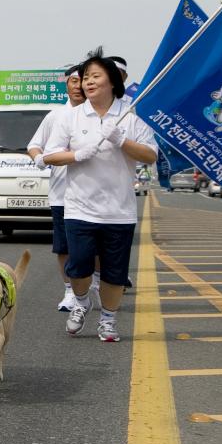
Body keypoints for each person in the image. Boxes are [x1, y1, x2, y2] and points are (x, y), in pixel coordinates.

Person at [43, 51, 157, 342]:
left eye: (96, 76)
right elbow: (50, 155)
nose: (88, 83)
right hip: (80, 207)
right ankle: (81, 301)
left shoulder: (130, 116)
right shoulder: (71, 117)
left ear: (112, 82)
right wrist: (76, 154)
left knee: (114, 272)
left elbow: (150, 155)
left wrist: (121, 140)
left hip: (119, 210)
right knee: (78, 264)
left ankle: (108, 319)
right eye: (85, 78)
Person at [28, 65, 86, 311]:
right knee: (63, 247)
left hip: (91, 195)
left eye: (83, 81)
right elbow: (34, 146)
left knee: (88, 249)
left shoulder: (98, 115)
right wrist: (40, 159)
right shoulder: (55, 116)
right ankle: (70, 291)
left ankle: (89, 287)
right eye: (74, 81)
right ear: (67, 84)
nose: (78, 86)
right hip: (62, 195)